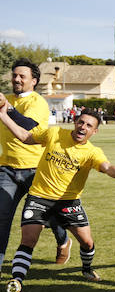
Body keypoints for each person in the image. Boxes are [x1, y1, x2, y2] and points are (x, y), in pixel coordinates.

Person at [0, 105, 115, 292]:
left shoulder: (92, 152)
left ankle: (87, 269)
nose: (82, 127)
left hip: (68, 202)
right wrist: (3, 115)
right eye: (80, 122)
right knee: (28, 241)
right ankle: (17, 281)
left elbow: (107, 167)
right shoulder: (54, 133)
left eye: (88, 125)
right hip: (39, 197)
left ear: (94, 131)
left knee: (87, 243)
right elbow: (25, 137)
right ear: (74, 122)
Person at [0, 59, 71, 273]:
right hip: (7, 170)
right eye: (15, 75)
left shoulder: (37, 102)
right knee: (1, 219)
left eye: (22, 76)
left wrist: (7, 108)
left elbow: (29, 127)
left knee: (47, 215)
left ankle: (63, 240)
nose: (17, 79)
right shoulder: (6, 99)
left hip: (35, 170)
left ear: (34, 81)